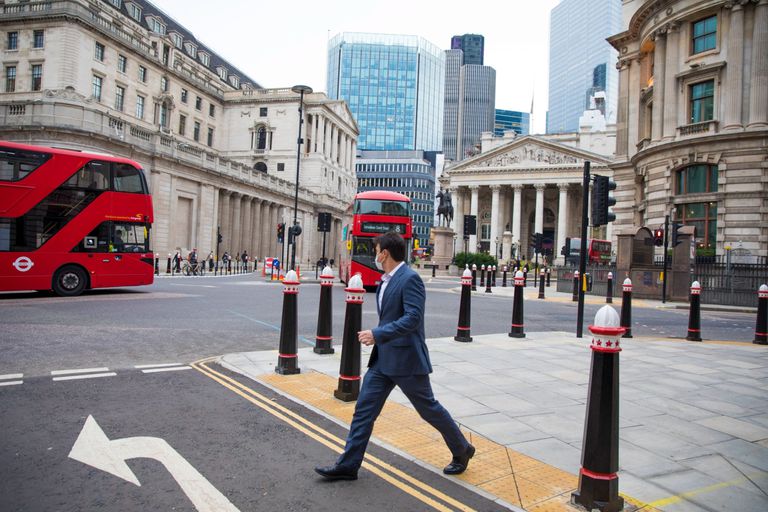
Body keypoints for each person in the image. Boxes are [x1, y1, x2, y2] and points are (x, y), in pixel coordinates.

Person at [314, 232, 474, 481]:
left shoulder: (410, 279)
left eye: (376, 250)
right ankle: (348, 465)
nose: (375, 255)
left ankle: (462, 448)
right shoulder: (385, 280)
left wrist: (377, 334)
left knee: (428, 409)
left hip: (407, 359)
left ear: (385, 253)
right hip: (383, 360)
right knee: (364, 411)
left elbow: (413, 318)